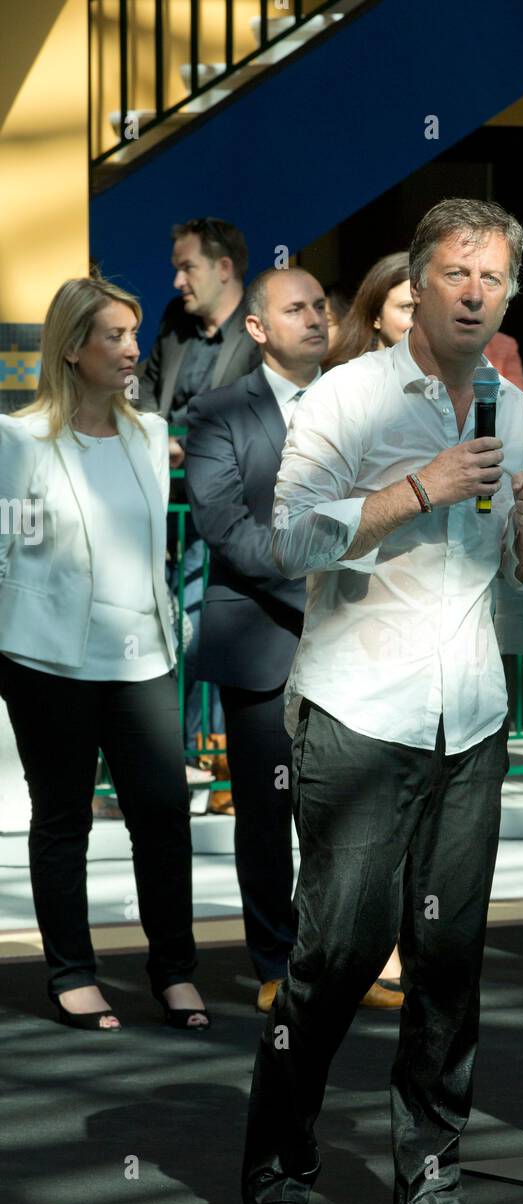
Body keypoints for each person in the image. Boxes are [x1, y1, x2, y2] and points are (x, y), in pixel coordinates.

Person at [240, 197, 523, 1204]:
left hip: (467, 716)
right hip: (359, 711)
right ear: (415, 285)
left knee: (447, 963)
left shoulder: (511, 410)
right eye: (457, 274)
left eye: (494, 279)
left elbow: (517, 577)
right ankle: (275, 1174)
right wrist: (414, 488)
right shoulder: (347, 397)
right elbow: (286, 539)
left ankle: (429, 1192)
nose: (476, 293)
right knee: (335, 957)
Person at [0, 277, 209, 1030]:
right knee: (63, 819)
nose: (132, 350)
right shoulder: (19, 441)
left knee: (162, 811)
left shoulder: (148, 435)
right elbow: (4, 548)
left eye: (134, 334)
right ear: (72, 348)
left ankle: (175, 970)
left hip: (142, 657)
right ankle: (71, 973)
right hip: (46, 661)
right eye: (114, 337)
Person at [184, 267, 328, 1014]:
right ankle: (275, 963)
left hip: (354, 644)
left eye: (320, 305)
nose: (315, 317)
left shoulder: (357, 401)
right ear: (257, 327)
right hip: (266, 642)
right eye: (295, 308)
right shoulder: (217, 412)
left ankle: (337, 962)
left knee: (343, 815)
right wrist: (310, 586)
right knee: (268, 820)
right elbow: (222, 525)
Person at [138, 217, 261, 777]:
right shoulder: (172, 324)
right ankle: (187, 760)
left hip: (228, 514)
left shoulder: (258, 329)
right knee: (169, 635)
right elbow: (143, 386)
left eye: (187, 268)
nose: (178, 282)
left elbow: (265, 414)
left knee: (199, 635)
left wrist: (191, 447)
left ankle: (207, 760)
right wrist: (149, 432)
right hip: (162, 509)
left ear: (224, 268)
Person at [323, 252, 414, 367]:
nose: (423, 318)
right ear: (376, 316)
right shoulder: (345, 380)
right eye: (407, 307)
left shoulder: (440, 376)